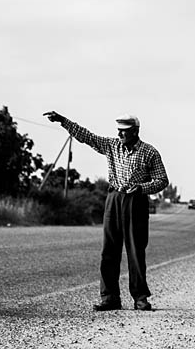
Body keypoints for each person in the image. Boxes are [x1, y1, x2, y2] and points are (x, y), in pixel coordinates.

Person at [42, 110, 168, 312]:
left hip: (135, 201)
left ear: (135, 132)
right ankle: (109, 297)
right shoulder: (112, 146)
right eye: (118, 131)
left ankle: (140, 298)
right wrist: (63, 121)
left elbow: (162, 180)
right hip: (114, 198)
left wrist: (142, 188)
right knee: (109, 250)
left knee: (135, 251)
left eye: (124, 131)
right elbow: (87, 137)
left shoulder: (149, 152)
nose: (120, 135)